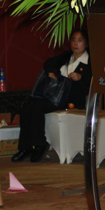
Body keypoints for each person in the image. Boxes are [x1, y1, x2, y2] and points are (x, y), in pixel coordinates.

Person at [12, 30, 91, 163]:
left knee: (36, 106)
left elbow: (92, 84)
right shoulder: (67, 56)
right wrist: (50, 73)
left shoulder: (90, 62)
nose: (75, 43)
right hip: (55, 97)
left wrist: (81, 78)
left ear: (86, 43)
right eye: (73, 39)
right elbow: (48, 63)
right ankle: (25, 148)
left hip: (71, 100)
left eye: (80, 40)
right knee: (27, 106)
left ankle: (40, 144)